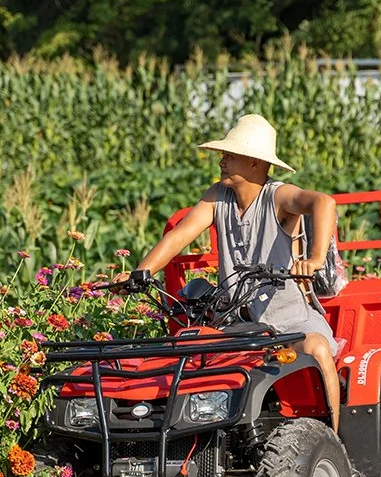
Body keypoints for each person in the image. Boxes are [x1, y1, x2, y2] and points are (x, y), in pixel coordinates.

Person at [116, 113, 342, 433]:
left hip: (289, 321)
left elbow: (324, 203)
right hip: (237, 325)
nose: (222, 161)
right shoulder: (216, 196)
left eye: (229, 155)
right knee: (190, 354)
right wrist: (138, 274)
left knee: (317, 347)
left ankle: (334, 443)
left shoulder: (278, 196)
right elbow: (179, 235)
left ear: (253, 163)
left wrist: (316, 258)